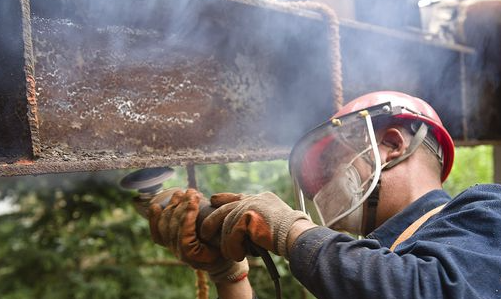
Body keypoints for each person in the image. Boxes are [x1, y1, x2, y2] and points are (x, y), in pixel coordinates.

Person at [148, 91, 501, 299]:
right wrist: (230, 276)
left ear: (392, 144)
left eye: (333, 163)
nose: (324, 188)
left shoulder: (486, 209)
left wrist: (290, 230)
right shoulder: (362, 273)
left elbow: (427, 290)